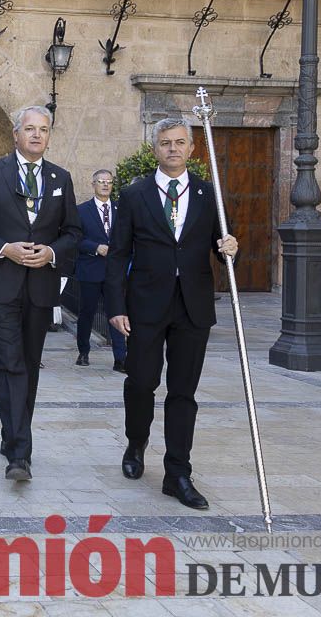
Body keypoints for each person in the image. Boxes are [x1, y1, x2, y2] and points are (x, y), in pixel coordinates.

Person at [106, 117, 238, 511]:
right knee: (141, 382)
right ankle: (136, 442)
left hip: (192, 307)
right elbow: (118, 255)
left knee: (183, 392)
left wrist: (230, 246)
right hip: (145, 306)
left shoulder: (207, 194)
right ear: (155, 149)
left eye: (180, 142)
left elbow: (221, 245)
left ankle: (177, 472)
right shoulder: (134, 195)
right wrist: (115, 307)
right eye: (165, 143)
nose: (173, 149)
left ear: (192, 149)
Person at [0, 106, 81, 481]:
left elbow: (73, 232)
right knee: (10, 362)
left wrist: (52, 252)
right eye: (30, 129)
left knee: (28, 366)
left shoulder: (61, 178)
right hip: (0, 287)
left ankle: (11, 434)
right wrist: (3, 248)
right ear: (16, 134)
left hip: (40, 288)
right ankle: (20, 453)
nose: (36, 136)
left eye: (43, 130)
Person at [74, 170, 128, 372]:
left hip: (114, 273)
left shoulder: (121, 209)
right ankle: (84, 351)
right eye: (101, 182)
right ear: (93, 184)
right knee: (87, 313)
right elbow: (75, 238)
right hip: (90, 270)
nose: (105, 185)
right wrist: (95, 247)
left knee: (117, 313)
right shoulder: (81, 211)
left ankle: (120, 358)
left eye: (109, 182)